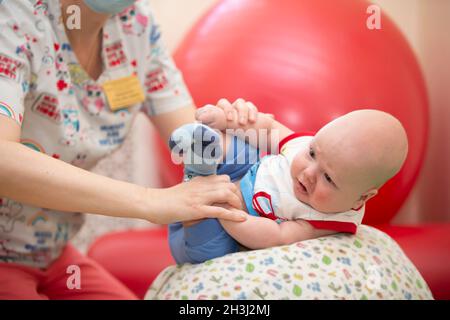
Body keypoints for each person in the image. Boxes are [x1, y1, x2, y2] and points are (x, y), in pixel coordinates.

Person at [0, 0, 258, 299]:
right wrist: (151, 201)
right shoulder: (14, 16)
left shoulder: (135, 26)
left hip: (52, 257)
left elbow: (197, 141)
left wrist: (248, 130)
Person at [168, 101, 409, 264]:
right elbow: (268, 128)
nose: (308, 172)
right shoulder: (312, 144)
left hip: (217, 230)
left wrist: (226, 211)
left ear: (363, 196)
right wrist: (225, 120)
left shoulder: (333, 219)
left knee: (216, 251)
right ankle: (201, 149)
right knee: (245, 146)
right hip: (242, 174)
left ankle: (198, 174)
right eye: (312, 154)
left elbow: (277, 235)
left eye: (328, 178)